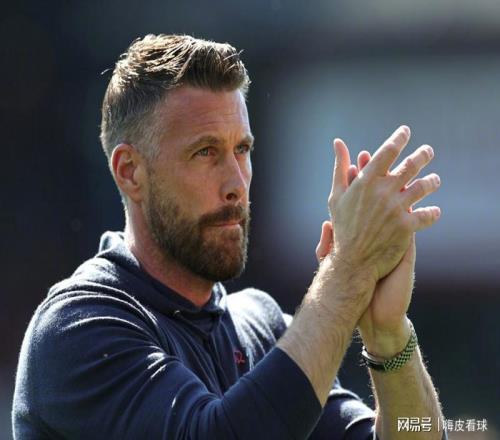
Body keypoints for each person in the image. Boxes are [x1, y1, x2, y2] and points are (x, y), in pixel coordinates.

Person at [13, 34, 447, 439]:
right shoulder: (79, 327)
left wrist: (389, 337)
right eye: (205, 152)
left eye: (242, 149)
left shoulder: (261, 327)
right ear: (130, 172)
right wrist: (347, 271)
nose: (237, 183)